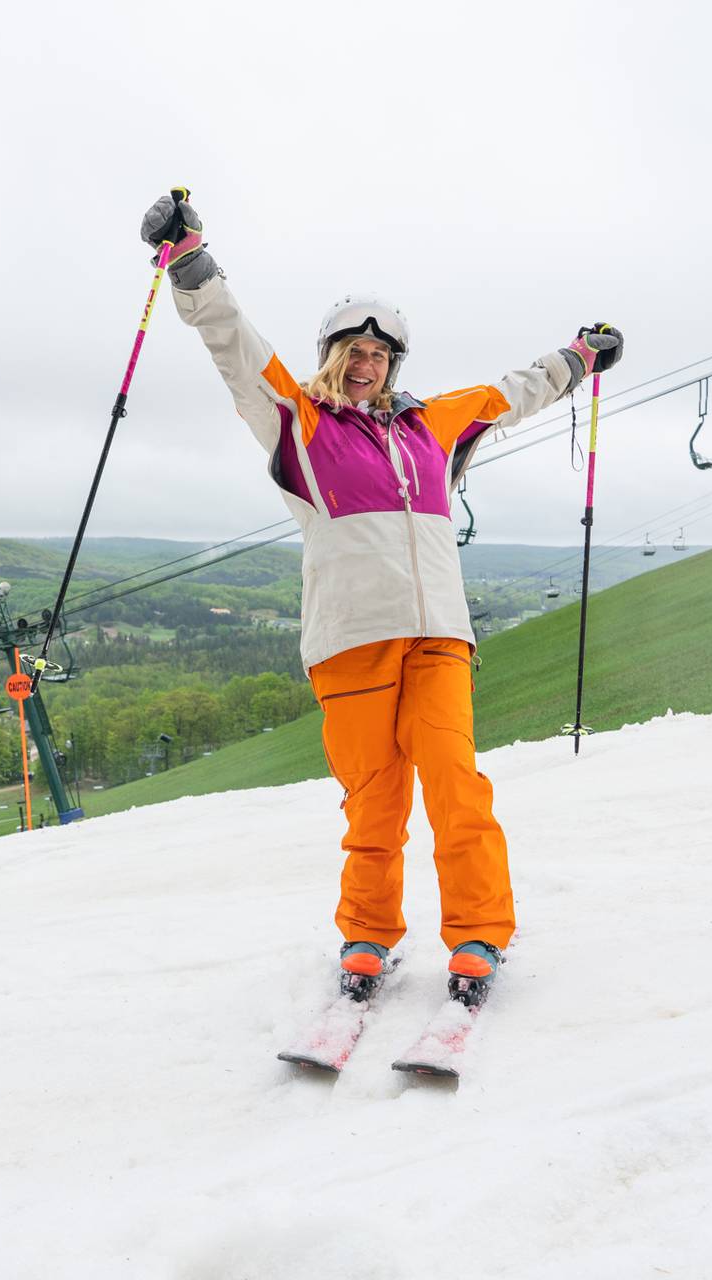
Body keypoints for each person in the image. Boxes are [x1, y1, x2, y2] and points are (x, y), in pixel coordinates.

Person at [139, 193, 622, 1006]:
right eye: (351, 349)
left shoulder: (434, 425)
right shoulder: (299, 422)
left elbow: (515, 391)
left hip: (439, 635)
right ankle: (368, 935)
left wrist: (581, 355)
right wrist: (191, 263)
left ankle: (477, 932)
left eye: (379, 353)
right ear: (330, 355)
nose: (366, 363)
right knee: (375, 800)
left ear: (394, 365)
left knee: (455, 781)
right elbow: (234, 346)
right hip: (352, 640)